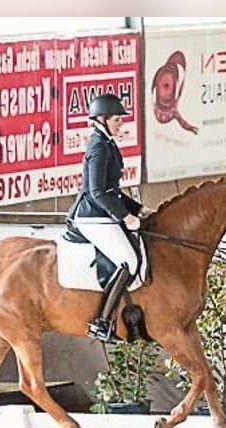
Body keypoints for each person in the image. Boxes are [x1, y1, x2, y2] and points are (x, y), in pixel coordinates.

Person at [66, 93, 155, 342]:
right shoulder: (98, 146)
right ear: (102, 119)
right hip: (90, 215)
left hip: (102, 211)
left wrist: (138, 209)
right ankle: (101, 322)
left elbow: (111, 190)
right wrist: (125, 217)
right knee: (127, 259)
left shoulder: (107, 144)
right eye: (117, 120)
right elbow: (96, 192)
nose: (121, 124)